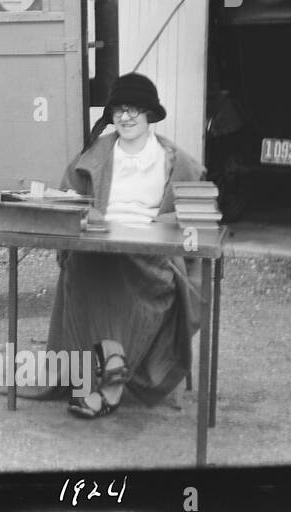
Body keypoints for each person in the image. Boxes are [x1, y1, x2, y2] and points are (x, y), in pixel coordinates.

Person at [35, 73, 207, 417]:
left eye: (134, 110)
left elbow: (199, 220)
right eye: (119, 110)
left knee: (126, 277)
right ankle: (111, 365)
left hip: (150, 260)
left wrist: (167, 225)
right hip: (99, 249)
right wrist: (85, 215)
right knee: (81, 268)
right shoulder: (96, 153)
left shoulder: (177, 162)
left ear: (150, 115)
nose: (125, 117)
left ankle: (110, 379)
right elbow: (69, 200)